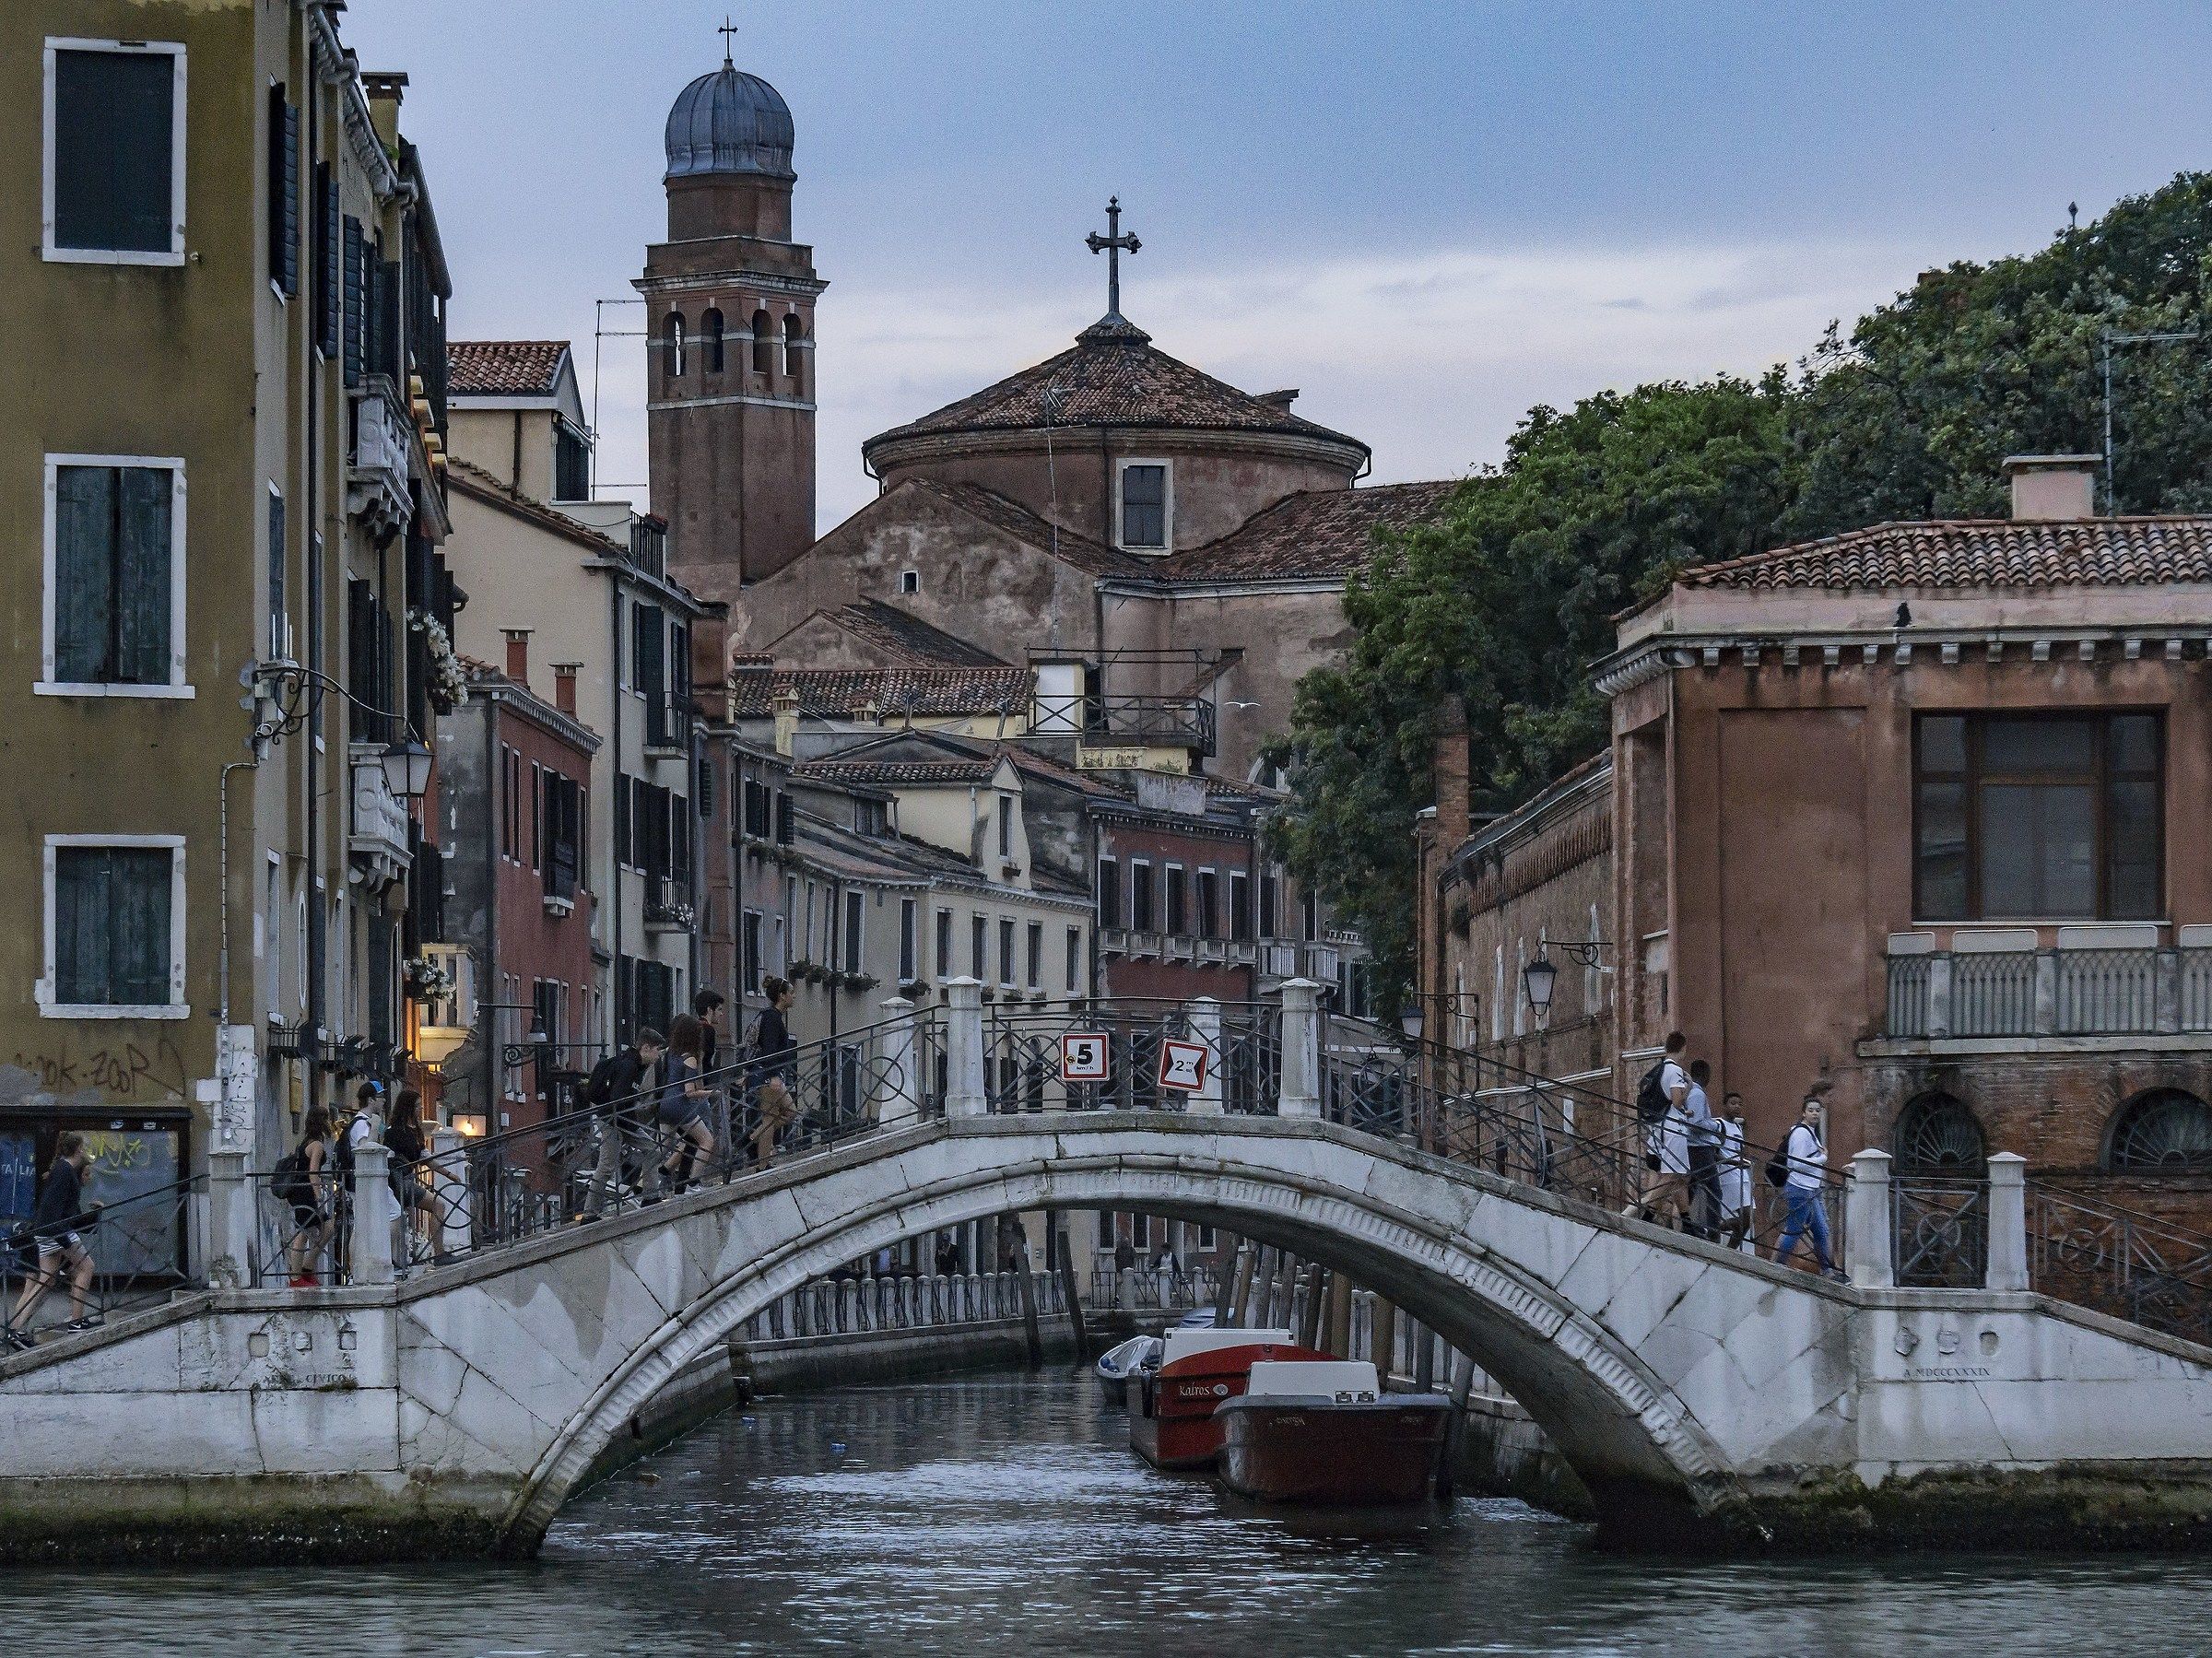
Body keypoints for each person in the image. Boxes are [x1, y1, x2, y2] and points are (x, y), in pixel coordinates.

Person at [6, 1133, 100, 1346]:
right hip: (56, 1231)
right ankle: (76, 1323)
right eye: (83, 1146)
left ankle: (16, 1329)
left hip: (51, 1231)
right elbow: (51, 1209)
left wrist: (93, 1215)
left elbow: (66, 1211)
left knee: (46, 1280)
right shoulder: (64, 1170)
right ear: (78, 1149)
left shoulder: (63, 1169)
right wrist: (63, 1240)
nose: (85, 1150)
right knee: (86, 1267)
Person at [582, 1029, 666, 1218]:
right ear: (645, 1048)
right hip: (613, 1121)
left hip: (624, 1121)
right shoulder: (629, 1066)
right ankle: (589, 1214)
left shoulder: (634, 1064)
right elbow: (617, 1099)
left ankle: (650, 1196)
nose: (659, 1054)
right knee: (606, 1166)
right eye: (657, 1050)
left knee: (653, 1149)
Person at [1772, 1097, 1844, 1280]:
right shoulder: (1801, 1133)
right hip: (1799, 1189)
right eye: (1811, 1110)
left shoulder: (1811, 1133)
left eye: (1817, 1110)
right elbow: (1794, 1163)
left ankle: (1826, 1269)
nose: (1815, 1113)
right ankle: (1777, 1267)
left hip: (1811, 1190)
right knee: (1794, 1230)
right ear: (1803, 1112)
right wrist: (1822, 1159)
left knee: (1821, 1230)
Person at [654, 1015, 717, 1196]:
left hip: (665, 1105)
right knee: (707, 1140)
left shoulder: (670, 1055)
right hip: (680, 1106)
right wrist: (711, 1093)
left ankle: (657, 1180)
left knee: (671, 1147)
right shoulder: (690, 1059)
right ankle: (693, 1183)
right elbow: (689, 1092)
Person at [1631, 1032, 1690, 1222]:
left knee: (1680, 1176)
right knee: (1671, 1176)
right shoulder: (1675, 1071)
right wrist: (1688, 1086)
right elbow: (1677, 1102)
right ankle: (1648, 1215)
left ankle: (1687, 1220)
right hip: (1674, 1128)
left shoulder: (1660, 1069)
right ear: (1683, 1048)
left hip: (1661, 1125)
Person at [284, 1107, 335, 1288]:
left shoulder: (305, 1142)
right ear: (322, 1122)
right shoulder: (317, 1145)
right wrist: (319, 1198)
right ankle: (296, 1278)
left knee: (325, 1228)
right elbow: (313, 1173)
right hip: (306, 1193)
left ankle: (306, 1269)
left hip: (300, 1191)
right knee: (304, 1233)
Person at [748, 977, 797, 1169]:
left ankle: (753, 1139)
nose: (794, 996)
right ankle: (762, 1165)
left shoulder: (774, 1017)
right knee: (769, 1117)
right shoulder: (771, 1018)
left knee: (790, 1112)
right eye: (791, 993)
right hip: (766, 1074)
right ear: (782, 996)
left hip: (770, 1073)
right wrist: (773, 1075)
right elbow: (769, 1049)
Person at [383, 1088, 432, 1264]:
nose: (420, 1110)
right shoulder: (394, 1132)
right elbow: (389, 1157)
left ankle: (406, 1258)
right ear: (408, 1108)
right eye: (417, 1106)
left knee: (404, 1218)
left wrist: (449, 1175)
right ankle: (395, 1260)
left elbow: (425, 1157)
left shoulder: (415, 1130)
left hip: (407, 1180)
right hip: (398, 1181)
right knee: (398, 1217)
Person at [1683, 1060, 1722, 1241]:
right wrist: (1716, 1125)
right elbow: (1696, 1123)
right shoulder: (1698, 1094)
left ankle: (1685, 1225)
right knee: (1714, 1190)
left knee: (1690, 1187)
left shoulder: (1690, 1092)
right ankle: (1714, 1232)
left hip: (1693, 1148)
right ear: (1705, 1074)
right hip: (1700, 1148)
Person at [1717, 1092, 1756, 1252]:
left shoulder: (1738, 1127)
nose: (1737, 1107)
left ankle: (1729, 1251)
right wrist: (1734, 1162)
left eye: (1739, 1104)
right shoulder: (1720, 1125)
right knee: (1745, 1219)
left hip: (1742, 1176)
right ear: (1725, 1106)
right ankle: (1711, 1227)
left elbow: (1739, 1150)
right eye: (1733, 1103)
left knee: (1749, 1219)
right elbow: (1714, 1153)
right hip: (1729, 1176)